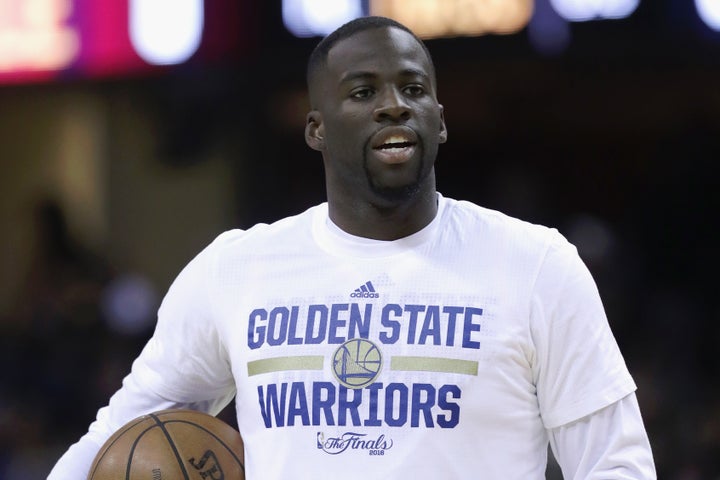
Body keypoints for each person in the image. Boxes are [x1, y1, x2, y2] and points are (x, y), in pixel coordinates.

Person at [48, 16, 656, 479]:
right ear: (316, 129)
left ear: (439, 120)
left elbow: (615, 462)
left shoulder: (536, 265)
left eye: (412, 89)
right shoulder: (236, 270)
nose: (393, 104)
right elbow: (116, 437)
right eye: (362, 92)